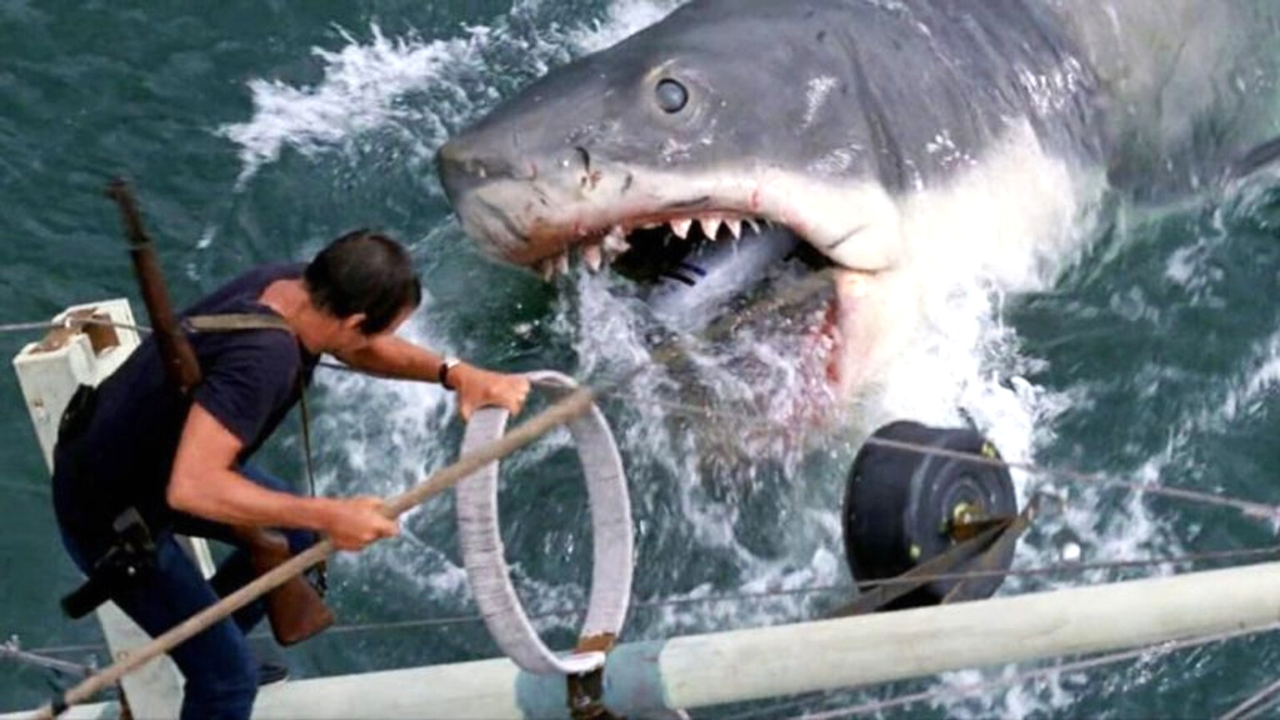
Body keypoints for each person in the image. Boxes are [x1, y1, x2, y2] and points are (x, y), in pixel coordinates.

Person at [50, 230, 530, 719]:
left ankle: (206, 647)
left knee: (294, 538)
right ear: (356, 319)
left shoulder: (287, 285)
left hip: (136, 458)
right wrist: (331, 514)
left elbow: (358, 348)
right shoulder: (266, 359)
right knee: (229, 683)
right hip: (111, 516)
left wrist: (454, 373)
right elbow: (193, 487)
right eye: (379, 330)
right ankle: (214, 670)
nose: (376, 343)